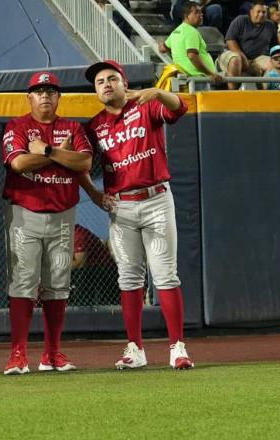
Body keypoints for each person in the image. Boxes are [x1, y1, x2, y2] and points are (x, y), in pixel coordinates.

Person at [83, 60, 195, 370]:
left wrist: (156, 93)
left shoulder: (146, 105)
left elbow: (180, 107)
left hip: (156, 199)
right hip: (121, 206)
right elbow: (79, 163)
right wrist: (93, 193)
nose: (105, 84)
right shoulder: (94, 126)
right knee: (129, 278)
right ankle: (135, 348)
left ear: (123, 83)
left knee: (165, 275)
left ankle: (177, 347)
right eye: (99, 81)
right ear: (96, 91)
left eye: (111, 78)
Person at [1, 71, 93, 375]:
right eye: (39, 91)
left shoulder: (72, 127)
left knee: (58, 284)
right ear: (29, 97)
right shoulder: (17, 126)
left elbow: (84, 163)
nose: (45, 96)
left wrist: (48, 151)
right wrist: (60, 155)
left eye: (51, 91)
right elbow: (18, 162)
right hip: (24, 213)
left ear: (58, 97)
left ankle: (52, 353)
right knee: (23, 283)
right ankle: (18, 354)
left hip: (63, 213)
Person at [160, 2, 224, 85]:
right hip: (198, 79)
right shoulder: (191, 32)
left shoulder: (176, 31)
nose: (201, 15)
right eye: (197, 12)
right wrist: (210, 74)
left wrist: (159, 44)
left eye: (201, 12)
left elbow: (162, 48)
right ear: (187, 16)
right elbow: (192, 56)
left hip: (188, 79)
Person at [217, 1, 278, 87]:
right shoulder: (240, 20)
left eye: (263, 12)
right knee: (236, 60)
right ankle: (232, 95)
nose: (261, 14)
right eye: (258, 12)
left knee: (273, 63)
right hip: (233, 54)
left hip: (258, 58)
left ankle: (264, 94)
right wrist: (242, 57)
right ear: (251, 12)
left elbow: (274, 46)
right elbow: (230, 40)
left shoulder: (270, 25)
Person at [70, 223, 120, 306]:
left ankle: (82, 307)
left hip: (104, 271)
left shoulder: (78, 233)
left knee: (81, 274)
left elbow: (79, 263)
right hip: (89, 272)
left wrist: (56, 268)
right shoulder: (58, 238)